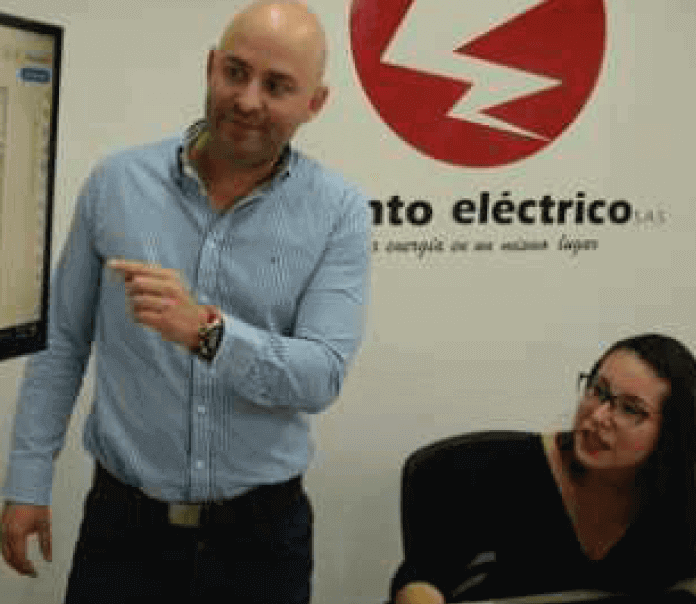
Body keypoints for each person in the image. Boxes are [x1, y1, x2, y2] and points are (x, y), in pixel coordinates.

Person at [1, 1, 370, 602]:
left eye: (277, 86)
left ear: (315, 103)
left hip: (260, 544)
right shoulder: (116, 185)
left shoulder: (339, 212)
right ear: (210, 66)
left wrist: (208, 332)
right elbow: (63, 343)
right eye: (235, 72)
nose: (247, 99)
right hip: (123, 533)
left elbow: (320, 376)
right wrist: (27, 481)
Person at [390, 334, 696, 603]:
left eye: (629, 409)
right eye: (598, 391)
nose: (599, 416)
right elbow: (420, 576)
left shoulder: (678, 500)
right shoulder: (497, 472)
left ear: (671, 433)